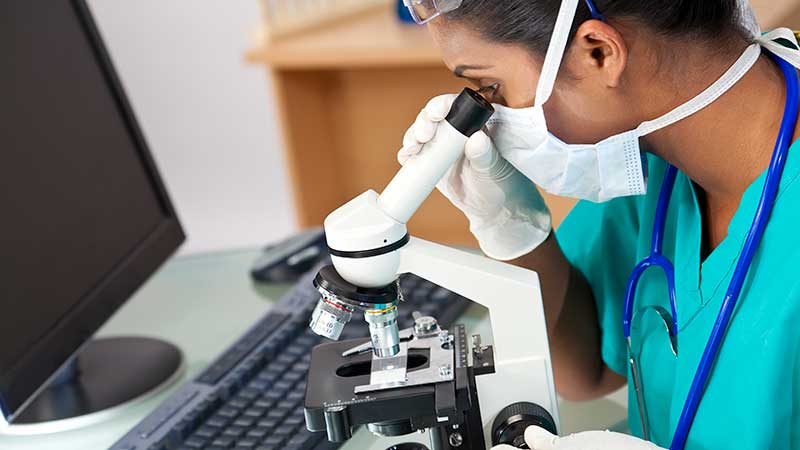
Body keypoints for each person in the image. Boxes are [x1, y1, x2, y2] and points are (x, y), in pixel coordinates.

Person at [398, 0, 800, 449]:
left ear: (599, 53)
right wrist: (511, 225)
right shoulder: (662, 165)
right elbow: (585, 369)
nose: (492, 120)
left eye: (492, 86)